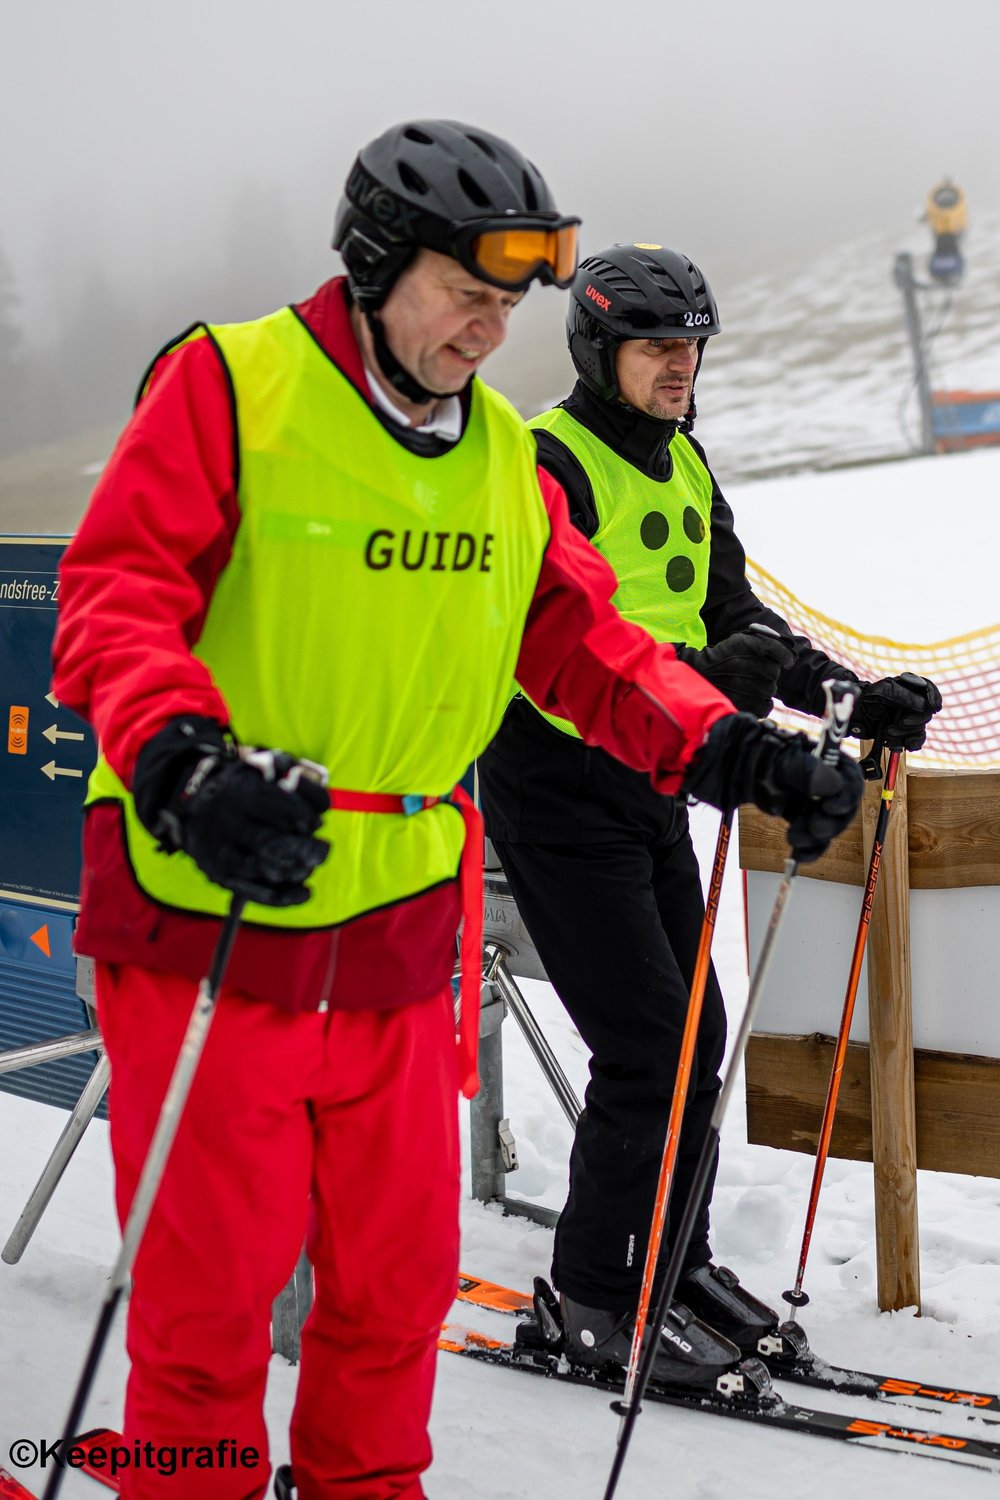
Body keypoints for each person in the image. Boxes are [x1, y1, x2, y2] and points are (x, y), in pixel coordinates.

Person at [52, 138, 862, 1500]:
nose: (490, 329)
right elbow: (116, 593)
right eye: (462, 292)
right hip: (219, 903)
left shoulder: (498, 451)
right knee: (211, 1311)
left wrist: (728, 749)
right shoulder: (235, 383)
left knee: (392, 1298)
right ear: (374, 268)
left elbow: (585, 641)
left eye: (511, 305)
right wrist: (185, 759)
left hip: (399, 928)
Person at [477, 242, 942, 1384]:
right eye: (656, 347)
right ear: (599, 349)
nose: (680, 366)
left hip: (656, 788)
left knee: (689, 1042)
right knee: (646, 1048)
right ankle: (593, 1293)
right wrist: (710, 675)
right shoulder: (549, 464)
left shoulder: (682, 462)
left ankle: (665, 1264)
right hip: (560, 792)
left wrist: (846, 693)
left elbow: (734, 613)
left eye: (691, 346)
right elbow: (552, 654)